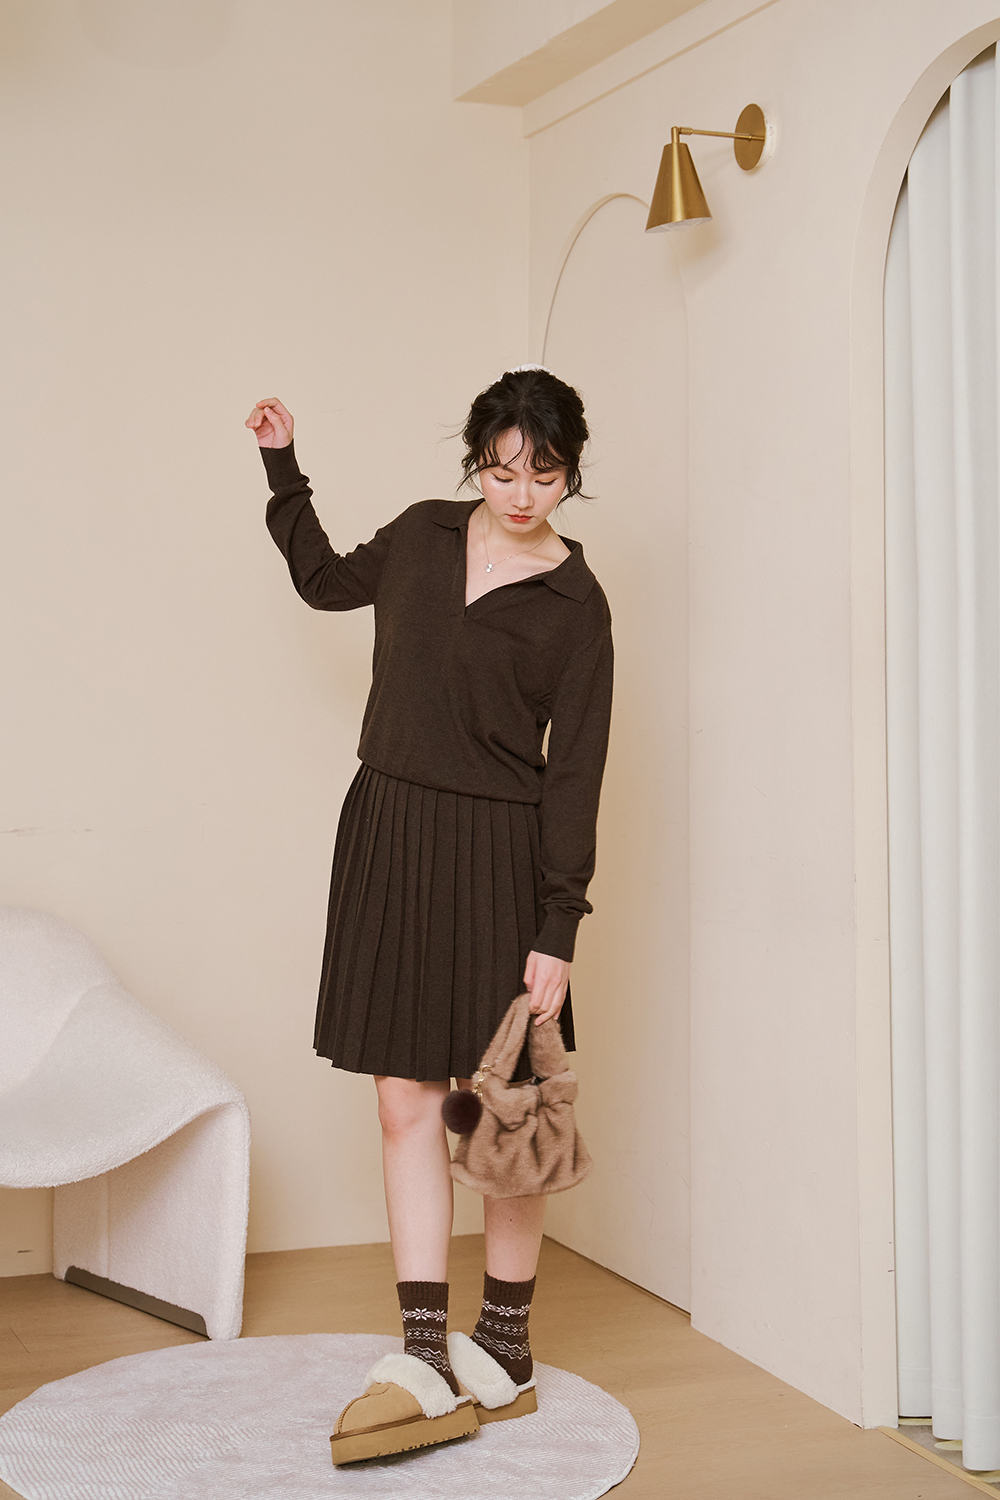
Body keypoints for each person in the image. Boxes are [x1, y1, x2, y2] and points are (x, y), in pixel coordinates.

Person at [246, 368, 613, 1463]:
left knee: (504, 1110)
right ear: (475, 463)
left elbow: (575, 775)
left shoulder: (577, 607)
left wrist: (558, 927)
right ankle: (421, 1348)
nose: (520, 494)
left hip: (502, 859)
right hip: (391, 832)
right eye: (501, 471)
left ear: (570, 476)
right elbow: (323, 582)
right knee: (403, 1097)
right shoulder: (418, 535)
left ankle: (505, 1342)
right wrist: (282, 467)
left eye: (543, 475)